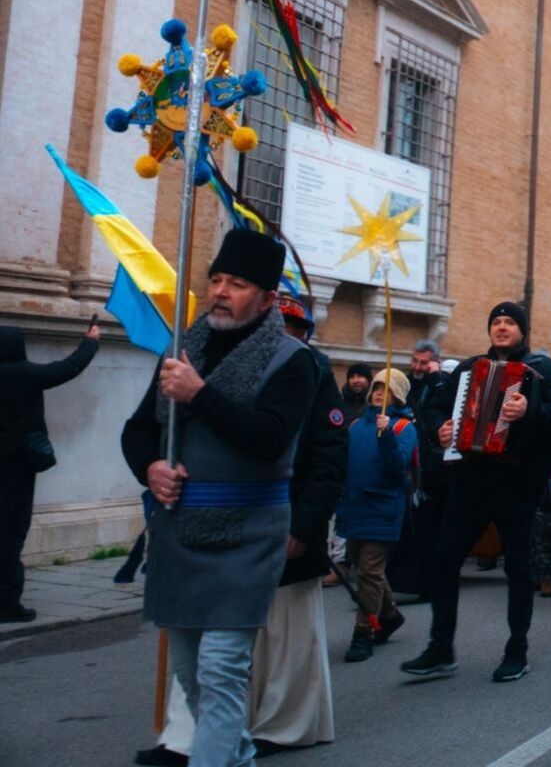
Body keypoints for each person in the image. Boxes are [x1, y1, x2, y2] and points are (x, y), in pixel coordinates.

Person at [119, 228, 317, 767]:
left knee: (222, 669)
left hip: (249, 532)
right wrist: (151, 468)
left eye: (238, 283)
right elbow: (137, 431)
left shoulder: (292, 360)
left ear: (268, 298)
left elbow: (267, 438)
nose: (221, 291)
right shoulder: (184, 349)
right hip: (180, 529)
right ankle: (240, 754)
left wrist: (200, 394)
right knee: (189, 673)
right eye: (216, 279)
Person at [141, 292, 348, 767]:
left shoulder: (308, 371)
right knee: (202, 661)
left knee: (279, 644)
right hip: (204, 528)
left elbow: (326, 459)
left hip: (279, 524)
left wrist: (303, 524)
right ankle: (192, 738)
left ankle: (281, 723)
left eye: (296, 330)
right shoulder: (207, 356)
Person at [401, 301, 551, 683]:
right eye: (496, 321)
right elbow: (433, 409)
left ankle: (517, 649)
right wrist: (439, 429)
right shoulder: (468, 369)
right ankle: (441, 646)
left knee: (518, 567)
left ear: (523, 331)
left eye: (510, 322)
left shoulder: (544, 372)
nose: (502, 327)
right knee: (444, 560)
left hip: (517, 484)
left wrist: (529, 410)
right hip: (470, 480)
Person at [0, 319, 99, 623]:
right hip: (18, 465)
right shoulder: (25, 374)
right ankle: (7, 604)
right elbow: (67, 368)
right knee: (11, 532)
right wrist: (91, 341)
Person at [337, 368, 418, 662]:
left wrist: (386, 437)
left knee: (369, 571)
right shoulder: (356, 426)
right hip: (355, 504)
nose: (379, 393)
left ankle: (363, 632)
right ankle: (389, 614)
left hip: (383, 507)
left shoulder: (403, 429)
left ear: (398, 394)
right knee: (363, 568)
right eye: (376, 387)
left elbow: (398, 470)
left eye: (387, 388)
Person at [391, 341, 451, 601]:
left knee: (431, 531)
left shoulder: (441, 384)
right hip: (411, 466)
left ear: (434, 362)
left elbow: (439, 413)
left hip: (435, 470)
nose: (417, 367)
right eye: (415, 361)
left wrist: (436, 378)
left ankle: (429, 585)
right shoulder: (407, 382)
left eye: (424, 362)